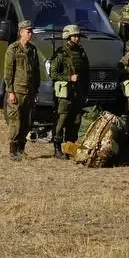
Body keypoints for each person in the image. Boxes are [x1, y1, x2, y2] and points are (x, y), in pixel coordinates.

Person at [48, 23, 89, 160]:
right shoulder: (61, 53)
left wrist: (86, 91)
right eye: (74, 36)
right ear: (68, 37)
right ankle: (57, 148)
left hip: (78, 93)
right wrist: (68, 78)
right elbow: (53, 73)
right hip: (64, 94)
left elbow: (86, 72)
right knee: (61, 120)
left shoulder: (81, 52)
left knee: (76, 121)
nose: (77, 38)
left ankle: (69, 148)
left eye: (78, 36)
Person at [3, 20, 39, 161]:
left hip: (29, 92)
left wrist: (36, 90)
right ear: (21, 32)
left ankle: (21, 149)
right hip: (17, 92)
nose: (30, 34)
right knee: (15, 122)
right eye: (28, 31)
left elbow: (36, 72)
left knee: (27, 122)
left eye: (31, 31)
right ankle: (13, 151)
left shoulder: (33, 50)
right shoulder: (13, 49)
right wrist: (10, 92)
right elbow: (8, 73)